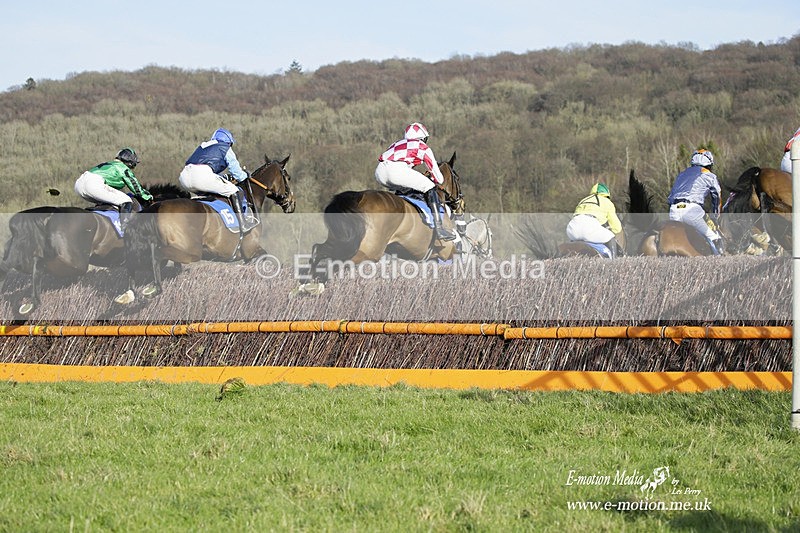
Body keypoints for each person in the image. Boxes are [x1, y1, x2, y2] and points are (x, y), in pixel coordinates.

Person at [375, 122, 455, 241]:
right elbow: (439, 178)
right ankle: (439, 229)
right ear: (423, 138)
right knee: (430, 187)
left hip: (379, 172)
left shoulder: (396, 143)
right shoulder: (423, 147)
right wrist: (434, 179)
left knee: (406, 190)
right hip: (396, 171)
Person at [179, 128, 254, 232]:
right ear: (229, 142)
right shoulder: (225, 147)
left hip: (184, 177)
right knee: (235, 191)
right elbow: (237, 174)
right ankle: (243, 224)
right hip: (201, 177)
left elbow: (206, 168)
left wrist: (223, 178)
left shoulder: (203, 146)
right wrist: (246, 175)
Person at [74, 148, 152, 229]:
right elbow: (135, 186)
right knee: (126, 200)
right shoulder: (122, 167)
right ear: (130, 162)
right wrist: (148, 197)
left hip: (79, 184)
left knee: (108, 201)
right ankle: (124, 228)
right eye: (134, 164)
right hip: (93, 184)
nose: (133, 167)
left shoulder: (109, 164)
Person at [667, 148, 724, 255]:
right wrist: (716, 216)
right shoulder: (709, 175)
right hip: (692, 211)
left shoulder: (682, 174)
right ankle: (720, 258)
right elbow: (717, 196)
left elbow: (670, 198)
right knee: (714, 236)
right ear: (709, 163)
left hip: (673, 211)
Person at [566, 183, 623, 257]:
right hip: (589, 226)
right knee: (610, 236)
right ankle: (614, 263)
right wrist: (616, 231)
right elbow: (616, 227)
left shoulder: (583, 200)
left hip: (572, 228)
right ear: (606, 194)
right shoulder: (607, 202)